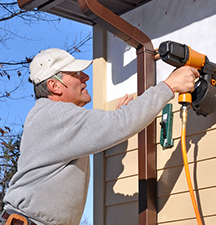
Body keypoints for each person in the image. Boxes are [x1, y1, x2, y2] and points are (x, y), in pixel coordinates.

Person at [1, 48, 199, 225]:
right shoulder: (55, 115)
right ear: (55, 86)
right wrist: (169, 85)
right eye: (76, 73)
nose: (85, 77)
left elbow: (114, 127)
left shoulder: (49, 117)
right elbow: (120, 123)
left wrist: (118, 122)